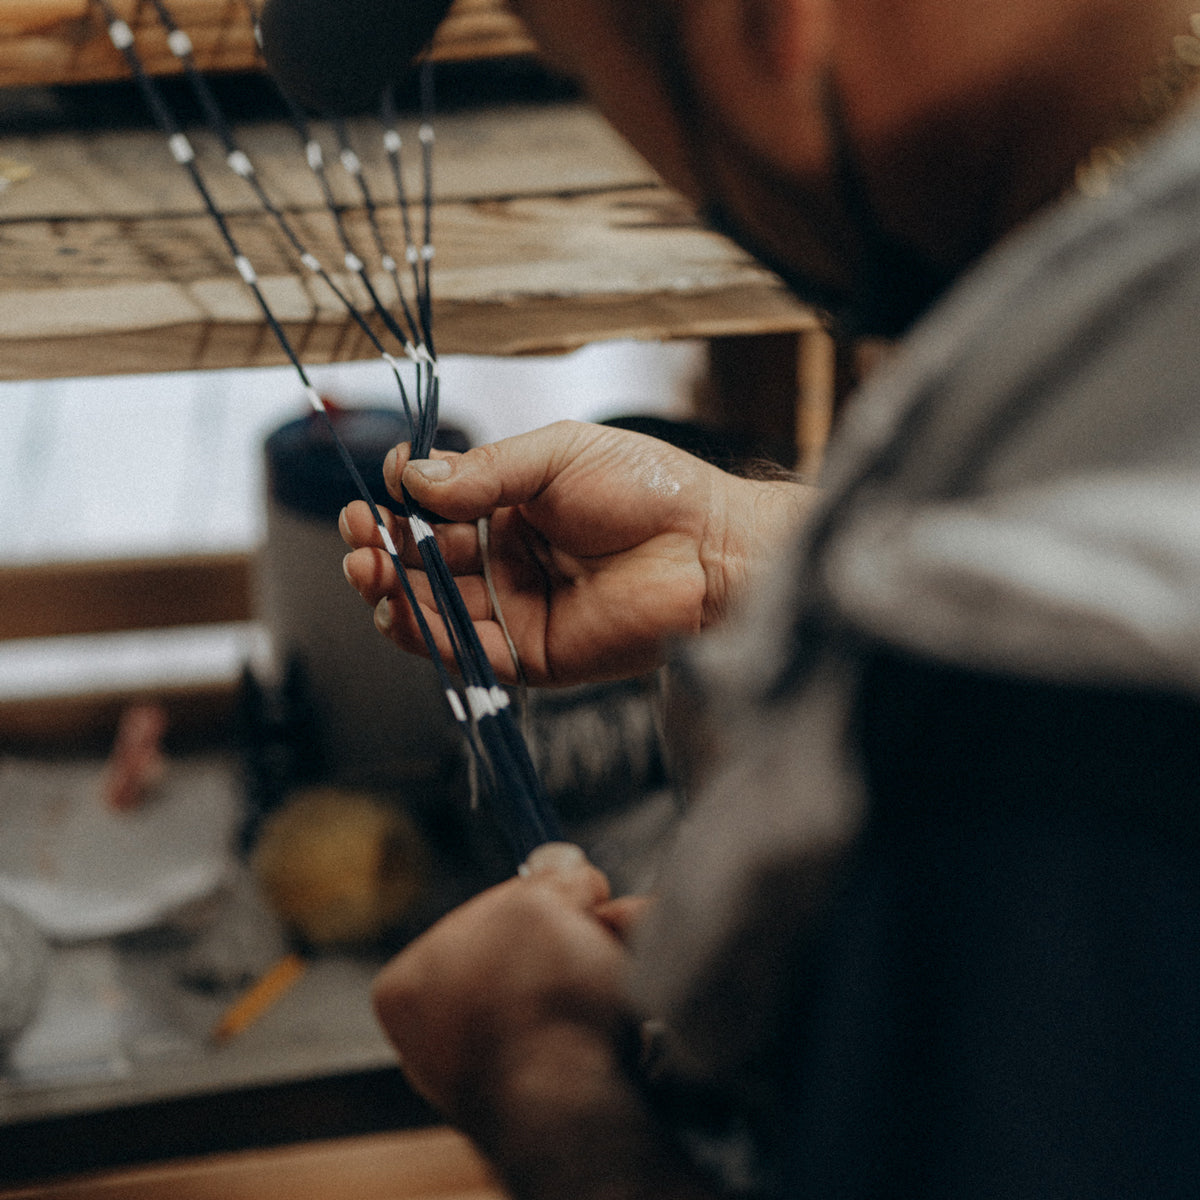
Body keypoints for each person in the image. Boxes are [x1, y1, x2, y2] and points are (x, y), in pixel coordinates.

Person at [331, 2, 1200, 1196]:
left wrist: (533, 1071)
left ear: (775, 27)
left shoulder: (1044, 714)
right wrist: (762, 551)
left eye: (582, 76)